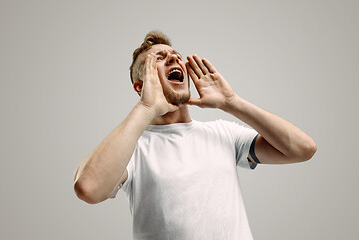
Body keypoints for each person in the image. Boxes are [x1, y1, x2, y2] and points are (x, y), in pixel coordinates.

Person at [73, 31, 317, 240]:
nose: (173, 57)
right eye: (159, 58)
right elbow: (89, 188)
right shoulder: (133, 148)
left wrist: (232, 103)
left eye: (175, 55)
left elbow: (303, 148)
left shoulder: (224, 133)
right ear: (140, 86)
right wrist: (146, 108)